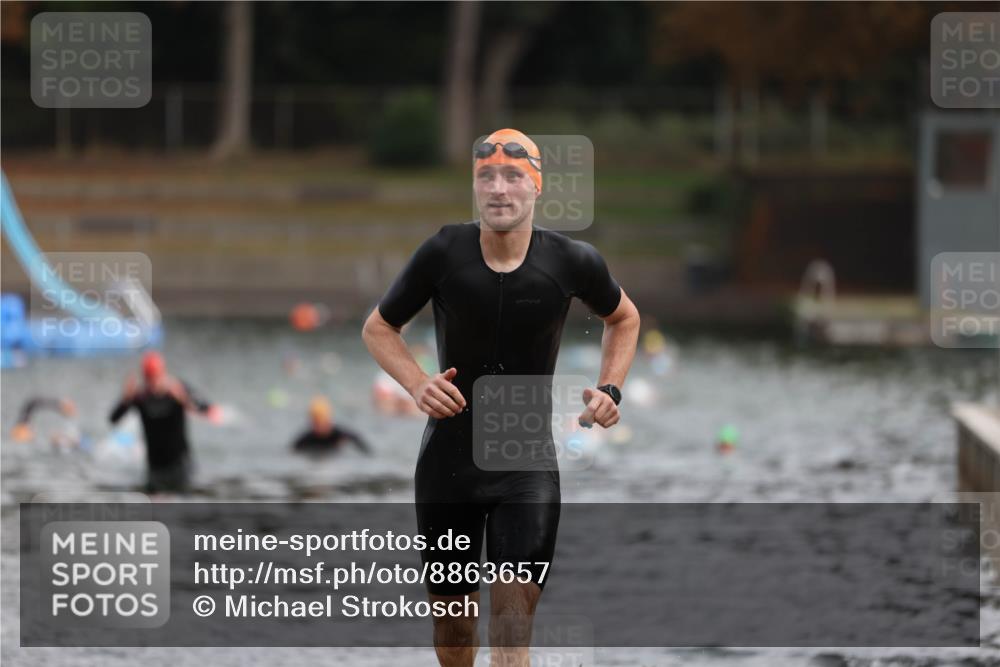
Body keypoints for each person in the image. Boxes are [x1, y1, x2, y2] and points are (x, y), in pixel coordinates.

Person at [362, 128, 640, 667]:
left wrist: (610, 388)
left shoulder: (572, 261)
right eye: (486, 177)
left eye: (513, 176)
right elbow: (378, 328)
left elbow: (624, 319)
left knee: (512, 629)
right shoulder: (444, 252)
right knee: (455, 632)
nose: (498, 188)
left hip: (525, 467)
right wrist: (418, 383)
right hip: (448, 466)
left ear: (537, 186)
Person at [108, 351, 217, 494]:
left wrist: (184, 399)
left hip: (181, 465)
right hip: (155, 468)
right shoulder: (141, 397)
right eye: (149, 378)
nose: (153, 382)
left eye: (155, 377)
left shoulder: (177, 389)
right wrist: (125, 399)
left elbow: (207, 409)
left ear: (163, 373)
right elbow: (113, 419)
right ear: (145, 377)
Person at [291, 396, 372, 456]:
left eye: (320, 420)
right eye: (315, 421)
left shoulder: (340, 435)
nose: (318, 425)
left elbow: (364, 448)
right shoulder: (306, 440)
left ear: (328, 419)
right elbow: (292, 451)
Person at [10, 396, 81, 450]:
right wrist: (58, 404)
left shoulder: (27, 437)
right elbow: (31, 404)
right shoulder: (22, 439)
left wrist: (59, 404)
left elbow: (32, 404)